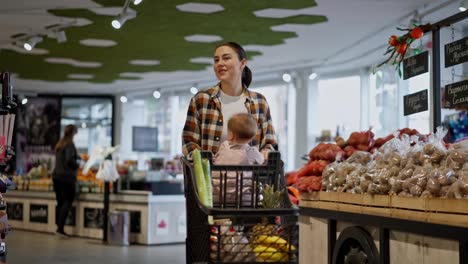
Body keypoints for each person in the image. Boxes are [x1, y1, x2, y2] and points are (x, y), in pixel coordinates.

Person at [182, 41, 277, 160]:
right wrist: (207, 162)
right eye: (216, 60)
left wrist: (264, 155)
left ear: (242, 63)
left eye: (226, 58)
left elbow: (269, 143)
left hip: (250, 177)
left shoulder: (259, 102)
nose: (220, 63)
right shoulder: (201, 100)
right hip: (211, 177)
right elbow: (189, 142)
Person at [212, 113, 264, 206]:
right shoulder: (251, 151)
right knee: (256, 186)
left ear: (231, 135)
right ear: (252, 137)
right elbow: (262, 162)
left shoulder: (224, 146)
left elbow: (216, 159)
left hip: (218, 197)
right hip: (242, 199)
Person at [52, 124, 79, 237]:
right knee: (68, 201)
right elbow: (69, 160)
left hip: (56, 177)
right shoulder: (70, 144)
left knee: (60, 202)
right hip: (66, 178)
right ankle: (60, 229)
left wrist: (77, 157)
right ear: (73, 132)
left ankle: (58, 227)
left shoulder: (60, 143)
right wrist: (78, 165)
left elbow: (65, 158)